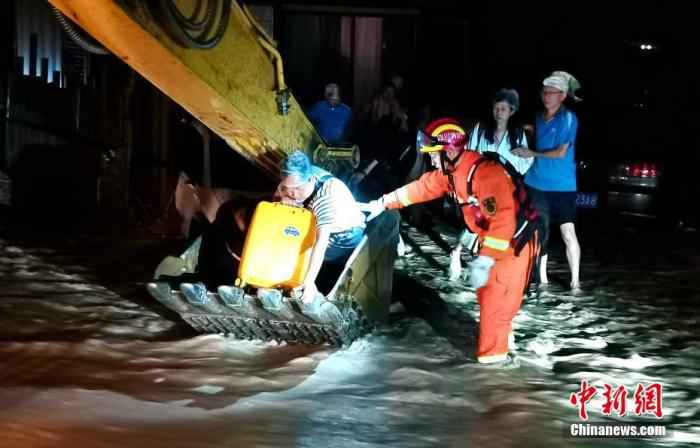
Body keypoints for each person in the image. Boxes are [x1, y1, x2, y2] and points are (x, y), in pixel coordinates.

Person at [362, 118, 540, 364]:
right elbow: (421, 188)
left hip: (513, 243)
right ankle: (502, 345)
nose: (431, 160)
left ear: (450, 150)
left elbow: (503, 221)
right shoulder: (454, 172)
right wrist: (382, 203)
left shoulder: (487, 174)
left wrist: (485, 260)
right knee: (491, 299)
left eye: (434, 154)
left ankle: (494, 366)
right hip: (495, 241)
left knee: (495, 301)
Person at [450, 88, 533, 280]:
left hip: (505, 187)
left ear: (511, 111)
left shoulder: (517, 134)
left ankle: (485, 262)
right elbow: (469, 153)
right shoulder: (481, 129)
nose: (499, 112)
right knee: (476, 222)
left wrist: (508, 165)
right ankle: (457, 251)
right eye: (497, 108)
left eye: (504, 108)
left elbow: (525, 161)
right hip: (480, 185)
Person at [513, 71, 582, 290]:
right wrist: (529, 131)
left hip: (563, 186)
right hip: (536, 183)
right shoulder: (537, 116)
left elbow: (561, 152)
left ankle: (575, 282)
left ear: (562, 96)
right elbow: (539, 135)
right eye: (544, 92)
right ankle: (534, 275)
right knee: (536, 230)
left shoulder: (569, 118)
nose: (547, 96)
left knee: (568, 233)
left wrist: (531, 153)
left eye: (552, 93)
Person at [275, 150, 366, 303]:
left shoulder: (325, 200)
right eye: (289, 188)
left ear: (310, 179)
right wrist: (283, 196)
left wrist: (309, 282)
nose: (293, 194)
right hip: (322, 221)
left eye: (297, 189)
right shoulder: (301, 175)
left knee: (306, 255)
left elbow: (321, 243)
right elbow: (281, 189)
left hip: (344, 238)